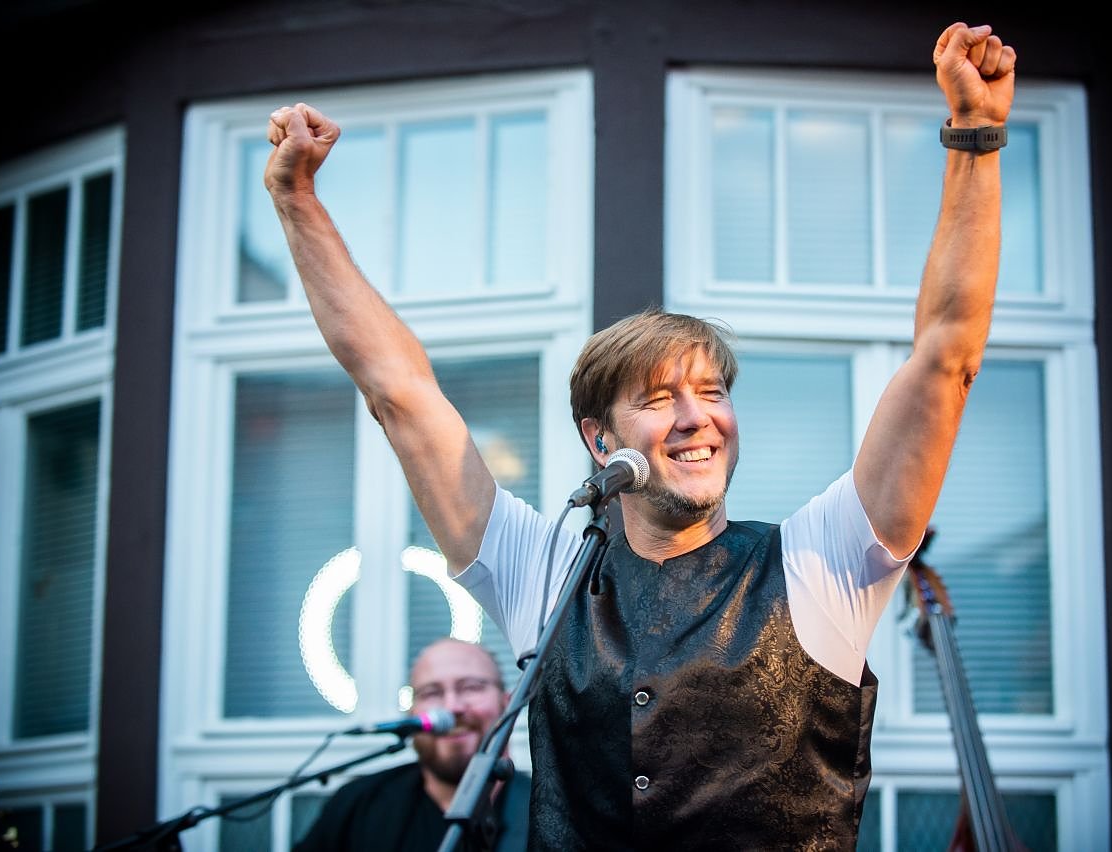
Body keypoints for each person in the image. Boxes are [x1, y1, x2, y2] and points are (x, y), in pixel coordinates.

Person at [266, 20, 1015, 850]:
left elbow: (945, 359)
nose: (698, 417)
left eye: (712, 392)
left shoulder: (822, 560)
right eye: (661, 399)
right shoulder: (546, 576)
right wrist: (297, 204)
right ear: (600, 442)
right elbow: (400, 396)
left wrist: (975, 138)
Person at [292, 638, 530, 852]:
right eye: (431, 693)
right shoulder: (357, 807)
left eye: (471, 687)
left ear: (507, 703)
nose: (451, 707)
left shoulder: (542, 809)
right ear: (412, 714)